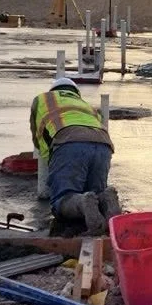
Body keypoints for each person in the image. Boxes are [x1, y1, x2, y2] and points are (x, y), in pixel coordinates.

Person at [30, 77, 119, 235]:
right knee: (95, 193)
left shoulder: (43, 99)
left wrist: (51, 160)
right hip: (103, 145)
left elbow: (38, 137)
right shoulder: (85, 105)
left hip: (69, 142)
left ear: (53, 90)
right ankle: (106, 198)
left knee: (63, 198)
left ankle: (82, 202)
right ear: (75, 92)